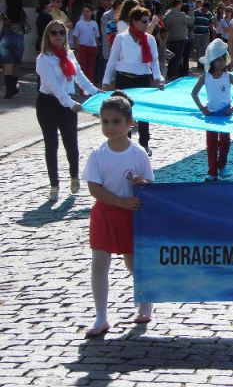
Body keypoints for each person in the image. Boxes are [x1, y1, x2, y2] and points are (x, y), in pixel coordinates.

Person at [81, 92, 154, 337]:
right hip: (105, 212)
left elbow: (150, 186)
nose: (110, 127)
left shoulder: (138, 153)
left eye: (115, 122)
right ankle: (101, 315)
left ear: (129, 122)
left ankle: (145, 302)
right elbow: (94, 188)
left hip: (130, 214)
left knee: (133, 263)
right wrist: (118, 202)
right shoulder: (98, 154)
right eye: (105, 122)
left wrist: (141, 183)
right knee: (99, 262)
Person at [36, 20, 101, 201]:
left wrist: (95, 92)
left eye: (61, 33)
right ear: (47, 36)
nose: (57, 36)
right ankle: (54, 185)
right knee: (51, 144)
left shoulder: (69, 55)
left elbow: (79, 77)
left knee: (71, 142)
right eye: (53, 33)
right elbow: (52, 85)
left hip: (68, 103)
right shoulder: (43, 59)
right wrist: (70, 102)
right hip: (48, 103)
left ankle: (74, 176)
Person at [103, 6, 164, 156]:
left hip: (143, 78)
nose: (146, 24)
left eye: (148, 21)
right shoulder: (121, 38)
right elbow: (112, 60)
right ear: (134, 21)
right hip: (124, 79)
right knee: (124, 112)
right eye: (144, 21)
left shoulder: (149, 39)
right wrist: (106, 80)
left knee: (143, 112)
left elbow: (154, 61)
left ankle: (144, 143)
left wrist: (158, 78)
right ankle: (126, 142)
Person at [192, 39, 233, 181]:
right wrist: (202, 108)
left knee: (225, 142)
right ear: (211, 62)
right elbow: (194, 93)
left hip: (225, 113)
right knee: (211, 143)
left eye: (222, 59)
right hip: (211, 114)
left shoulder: (229, 76)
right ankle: (212, 170)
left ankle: (222, 165)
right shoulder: (206, 77)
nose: (220, 63)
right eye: (217, 60)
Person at [1, 0, 30, 98]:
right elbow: (27, 29)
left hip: (5, 40)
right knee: (16, 65)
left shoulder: (4, 13)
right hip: (18, 40)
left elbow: (0, 27)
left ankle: (9, 91)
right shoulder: (23, 13)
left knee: (7, 65)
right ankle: (13, 87)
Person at [164, 0, 194, 79]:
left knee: (171, 58)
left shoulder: (167, 14)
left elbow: (165, 25)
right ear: (178, 4)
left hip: (170, 39)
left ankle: (170, 74)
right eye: (180, 4)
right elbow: (190, 21)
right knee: (177, 59)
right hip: (180, 39)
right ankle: (174, 75)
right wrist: (191, 12)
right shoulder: (181, 15)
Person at [72, 6, 101, 84]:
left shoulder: (94, 23)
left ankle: (90, 87)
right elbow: (75, 36)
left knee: (91, 69)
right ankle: (82, 88)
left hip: (92, 48)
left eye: (88, 11)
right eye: (84, 11)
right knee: (83, 68)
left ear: (91, 13)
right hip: (82, 48)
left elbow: (97, 37)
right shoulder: (79, 23)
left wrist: (97, 47)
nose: (86, 13)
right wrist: (78, 48)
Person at [193, 1, 214, 66]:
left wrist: (213, 32)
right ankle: (199, 63)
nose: (207, 10)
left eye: (208, 9)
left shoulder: (209, 14)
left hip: (206, 34)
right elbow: (192, 21)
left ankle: (204, 64)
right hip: (197, 34)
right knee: (198, 49)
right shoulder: (196, 12)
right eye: (206, 8)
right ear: (203, 7)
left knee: (205, 48)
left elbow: (210, 24)